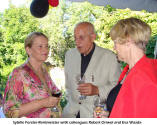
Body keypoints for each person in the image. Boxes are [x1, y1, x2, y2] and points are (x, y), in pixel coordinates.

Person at [62, 22, 121, 118]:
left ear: (93, 37)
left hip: (94, 115)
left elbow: (118, 88)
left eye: (81, 37)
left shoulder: (110, 57)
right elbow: (68, 85)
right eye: (75, 38)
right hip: (70, 115)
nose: (77, 42)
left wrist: (98, 90)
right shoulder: (69, 55)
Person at [106, 17, 157, 118]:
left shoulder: (146, 79)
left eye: (115, 42)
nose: (114, 47)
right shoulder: (129, 71)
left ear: (128, 40)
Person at [3, 32, 61, 118]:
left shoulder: (44, 70)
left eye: (46, 46)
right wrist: (42, 103)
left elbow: (54, 93)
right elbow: (9, 112)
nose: (45, 50)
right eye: (40, 46)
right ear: (28, 50)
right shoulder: (19, 73)